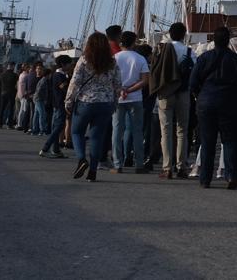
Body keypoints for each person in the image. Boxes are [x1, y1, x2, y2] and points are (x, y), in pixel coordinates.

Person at [190, 27, 237, 189]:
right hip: (228, 102)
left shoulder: (204, 58)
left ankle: (205, 178)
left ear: (214, 40)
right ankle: (231, 175)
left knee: (207, 141)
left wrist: (200, 95)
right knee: (230, 141)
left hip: (206, 102)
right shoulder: (236, 59)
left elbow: (193, 82)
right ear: (228, 40)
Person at [64, 32, 121, 182]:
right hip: (105, 103)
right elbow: (117, 85)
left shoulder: (84, 60)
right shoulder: (112, 62)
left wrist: (68, 101)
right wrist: (114, 102)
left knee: (76, 132)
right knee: (97, 137)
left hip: (85, 102)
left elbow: (75, 83)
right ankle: (93, 171)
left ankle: (82, 159)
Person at [150, 22, 194, 179]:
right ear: (184, 35)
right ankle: (182, 166)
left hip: (165, 92)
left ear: (169, 33)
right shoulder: (189, 51)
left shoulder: (161, 49)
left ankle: (167, 167)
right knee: (182, 129)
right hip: (183, 92)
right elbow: (193, 72)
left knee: (165, 130)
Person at [111, 30, 150, 174]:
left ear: (121, 42)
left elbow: (110, 79)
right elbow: (145, 80)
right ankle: (139, 164)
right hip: (135, 97)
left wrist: (121, 90)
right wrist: (130, 90)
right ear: (134, 42)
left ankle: (117, 164)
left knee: (117, 131)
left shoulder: (114, 58)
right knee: (137, 131)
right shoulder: (140, 59)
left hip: (118, 98)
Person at [39, 55, 72, 158]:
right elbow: (63, 87)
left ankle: (56, 150)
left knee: (57, 127)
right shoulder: (58, 75)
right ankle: (45, 148)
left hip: (58, 103)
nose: (70, 66)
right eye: (69, 64)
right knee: (58, 127)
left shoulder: (60, 75)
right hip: (60, 104)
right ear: (63, 64)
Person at [0, 63, 18, 128]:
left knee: (2, 108)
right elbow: (16, 85)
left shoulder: (2, 75)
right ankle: (9, 124)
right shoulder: (15, 75)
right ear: (12, 67)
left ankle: (0, 124)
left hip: (3, 93)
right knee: (11, 109)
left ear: (7, 67)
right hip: (12, 93)